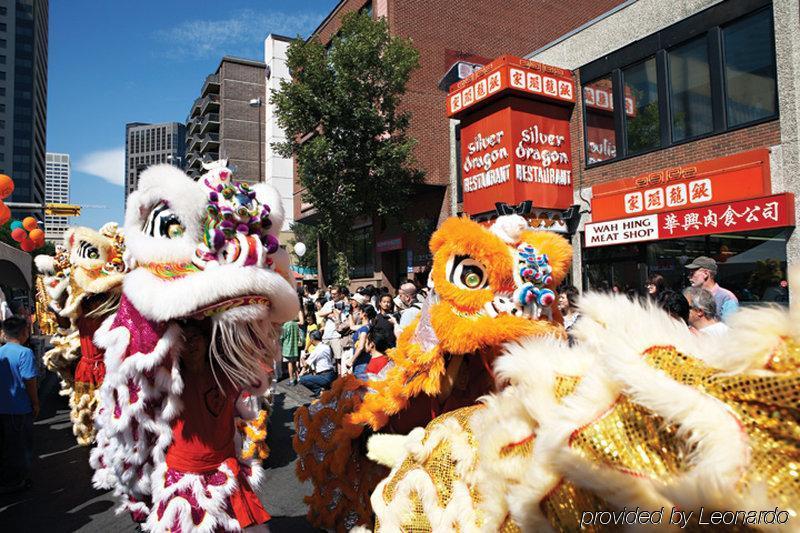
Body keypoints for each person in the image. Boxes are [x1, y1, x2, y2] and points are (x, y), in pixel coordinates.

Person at [0, 316, 38, 493]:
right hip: (19, 408)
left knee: (7, 446)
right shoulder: (25, 353)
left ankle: (9, 479)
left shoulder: (1, 352)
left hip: (3, 408)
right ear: (23, 332)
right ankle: (19, 480)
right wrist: (35, 403)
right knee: (22, 446)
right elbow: (30, 382)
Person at [686, 256, 738, 321]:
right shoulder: (692, 296)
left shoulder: (726, 297)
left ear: (706, 274)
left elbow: (731, 326)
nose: (689, 277)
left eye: (692, 273)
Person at [299, 330, 336, 396]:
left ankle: (320, 392)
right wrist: (310, 354)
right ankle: (326, 390)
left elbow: (305, 365)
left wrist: (302, 358)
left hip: (324, 376)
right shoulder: (326, 346)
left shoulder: (317, 350)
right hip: (331, 374)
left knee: (302, 379)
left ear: (312, 339)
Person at [351, 305, 377, 380]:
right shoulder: (369, 326)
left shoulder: (364, 328)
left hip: (362, 363)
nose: (359, 313)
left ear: (364, 314)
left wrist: (351, 361)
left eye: (360, 312)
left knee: (361, 387)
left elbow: (361, 346)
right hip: (365, 361)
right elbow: (352, 327)